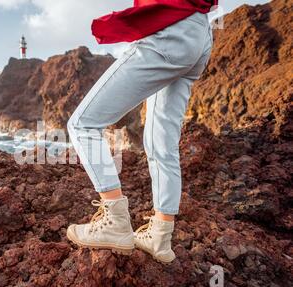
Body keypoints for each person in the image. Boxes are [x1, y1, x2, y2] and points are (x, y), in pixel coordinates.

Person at [66, 0, 217, 263]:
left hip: (170, 30)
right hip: (199, 33)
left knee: (83, 124)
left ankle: (115, 220)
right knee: (162, 143)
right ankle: (160, 236)